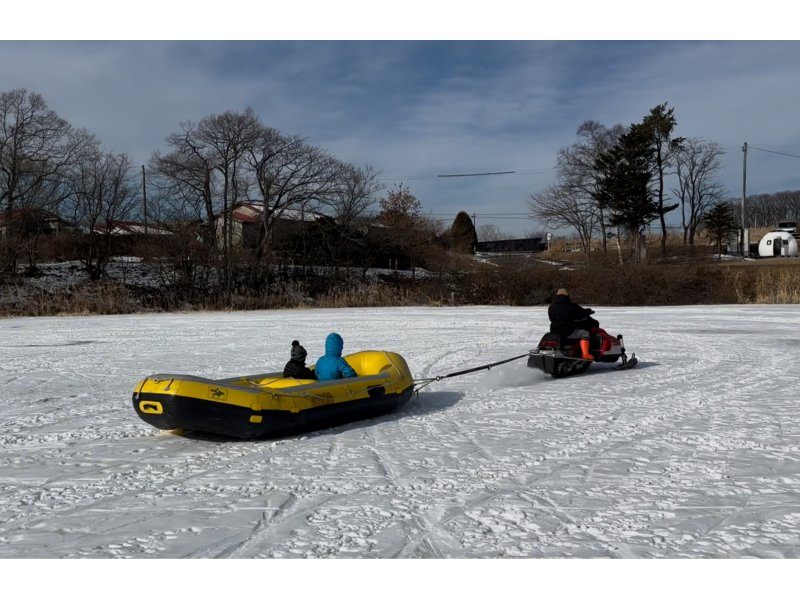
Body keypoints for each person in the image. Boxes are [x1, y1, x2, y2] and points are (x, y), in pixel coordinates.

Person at [547, 288, 596, 360]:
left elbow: (551, 319)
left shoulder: (551, 307)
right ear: (567, 296)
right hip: (567, 332)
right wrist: (588, 311)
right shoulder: (572, 306)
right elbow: (581, 314)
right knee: (585, 333)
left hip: (554, 331)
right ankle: (586, 354)